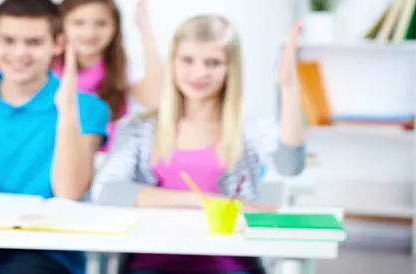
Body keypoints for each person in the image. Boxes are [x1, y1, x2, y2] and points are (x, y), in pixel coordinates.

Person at [91, 15, 306, 274]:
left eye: (213, 62)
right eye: (187, 60)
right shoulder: (138, 129)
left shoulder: (249, 128)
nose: (199, 73)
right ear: (172, 63)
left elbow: (290, 165)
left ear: (230, 68)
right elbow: (107, 192)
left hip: (229, 266)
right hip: (150, 266)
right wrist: (205, 201)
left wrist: (290, 88)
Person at [0, 0, 110, 274]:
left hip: (46, 252)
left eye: (33, 42)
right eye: (9, 41)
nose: (20, 53)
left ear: (58, 44)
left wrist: (67, 109)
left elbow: (69, 192)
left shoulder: (86, 107)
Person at [54, 0, 163, 151]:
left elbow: (156, 101)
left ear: (115, 27)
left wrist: (145, 28)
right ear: (62, 25)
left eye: (101, 24)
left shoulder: (125, 67)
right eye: (78, 23)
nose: (90, 33)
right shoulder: (46, 69)